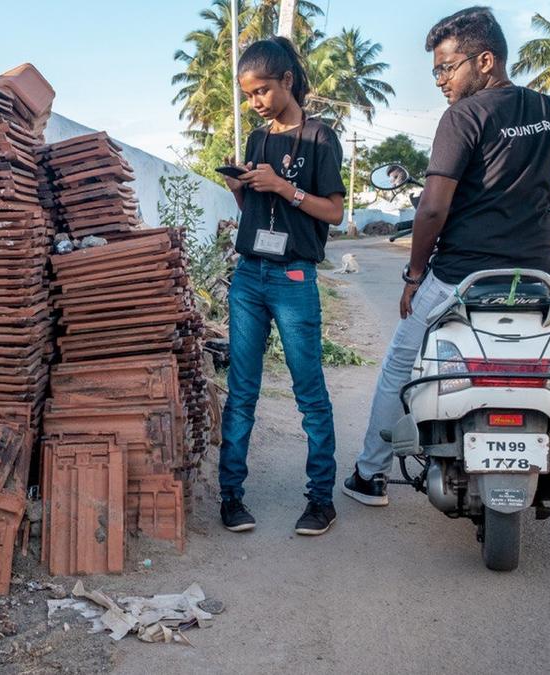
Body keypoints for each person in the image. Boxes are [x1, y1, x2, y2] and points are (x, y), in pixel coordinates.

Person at [342, 7, 550, 506]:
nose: (440, 81)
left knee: (401, 365)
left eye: (446, 68)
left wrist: (413, 276)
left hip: (460, 278)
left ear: (486, 61)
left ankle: (370, 475)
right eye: (436, 70)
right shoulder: (549, 110)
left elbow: (431, 208)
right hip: (537, 280)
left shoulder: (464, 116)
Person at [217, 37, 347, 535]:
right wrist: (242, 190)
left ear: (287, 81)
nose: (256, 102)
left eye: (262, 91)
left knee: (308, 390)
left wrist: (284, 187)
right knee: (242, 390)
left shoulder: (320, 138)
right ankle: (231, 497)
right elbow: (252, 214)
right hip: (249, 276)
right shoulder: (256, 141)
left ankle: (320, 500)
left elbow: (333, 211)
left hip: (294, 276)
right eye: (249, 94)